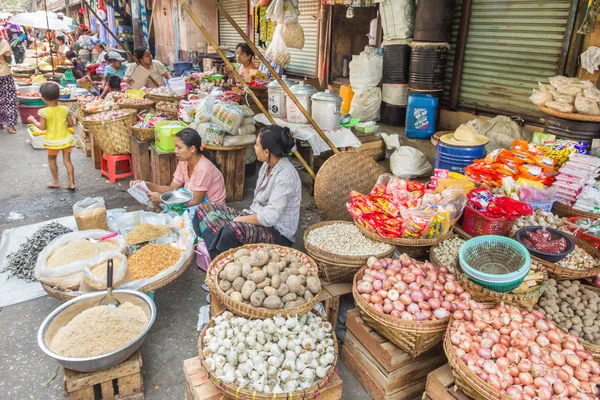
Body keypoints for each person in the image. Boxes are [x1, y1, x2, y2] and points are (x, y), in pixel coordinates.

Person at [194, 125, 301, 258]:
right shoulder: (267, 166)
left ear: (267, 152)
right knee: (203, 209)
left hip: (277, 233)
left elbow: (270, 217)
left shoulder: (286, 176)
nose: (254, 148)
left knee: (231, 230)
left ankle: (218, 257)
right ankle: (216, 249)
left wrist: (240, 219)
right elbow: (257, 205)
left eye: (257, 145)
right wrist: (243, 218)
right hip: (258, 217)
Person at [130, 128, 226, 209]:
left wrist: (163, 200)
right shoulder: (183, 163)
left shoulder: (203, 169)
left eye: (179, 148)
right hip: (195, 203)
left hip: (212, 210)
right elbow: (172, 189)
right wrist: (146, 184)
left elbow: (195, 201)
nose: (175, 151)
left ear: (192, 149)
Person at [27, 83, 76, 190]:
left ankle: (56, 182)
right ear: (59, 96)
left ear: (43, 98)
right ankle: (71, 183)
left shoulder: (43, 112)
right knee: (67, 161)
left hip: (52, 142)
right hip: (66, 139)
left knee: (52, 160)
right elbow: (71, 124)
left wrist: (33, 120)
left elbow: (42, 128)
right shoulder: (65, 109)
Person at [0, 37, 18, 134]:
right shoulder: (4, 43)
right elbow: (8, 60)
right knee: (9, 99)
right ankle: (11, 126)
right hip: (4, 74)